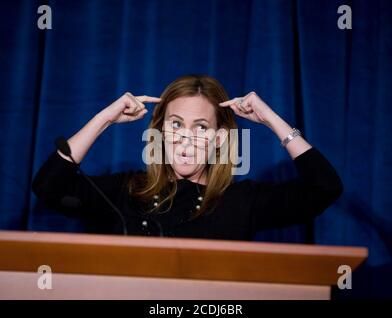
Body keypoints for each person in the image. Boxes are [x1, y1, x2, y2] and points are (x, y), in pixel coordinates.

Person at [32, 75, 343, 240]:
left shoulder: (242, 201)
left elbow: (325, 188)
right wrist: (103, 119)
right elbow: (49, 187)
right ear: (160, 132)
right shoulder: (125, 192)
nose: (186, 138)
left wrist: (272, 119)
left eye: (201, 127)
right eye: (176, 124)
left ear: (219, 139)